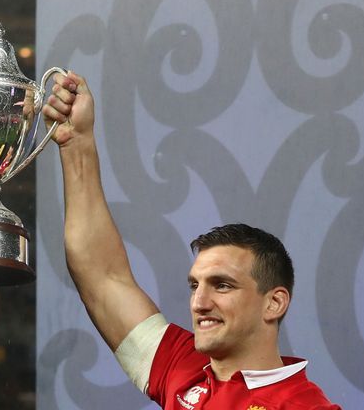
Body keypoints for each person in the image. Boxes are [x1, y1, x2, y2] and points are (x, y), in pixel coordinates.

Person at [40, 71, 341, 409]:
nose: (199, 303)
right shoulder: (180, 364)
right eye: (195, 285)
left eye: (222, 285)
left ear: (274, 303)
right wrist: (77, 144)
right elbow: (101, 278)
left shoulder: (306, 406)